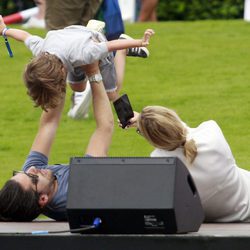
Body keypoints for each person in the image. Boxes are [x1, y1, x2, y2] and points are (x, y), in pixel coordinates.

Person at [0, 62, 114, 221]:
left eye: (21, 173)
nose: (32, 169)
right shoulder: (77, 193)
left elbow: (49, 123)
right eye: (32, 177)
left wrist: (62, 68)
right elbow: (104, 127)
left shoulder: (33, 179)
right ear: (43, 199)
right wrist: (93, 71)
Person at [0, 15, 154, 111]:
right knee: (77, 87)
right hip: (69, 41)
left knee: (112, 94)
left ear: (62, 71)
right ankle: (90, 31)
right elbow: (25, 36)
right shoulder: (42, 50)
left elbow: (110, 46)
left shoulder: (86, 53)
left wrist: (140, 42)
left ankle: (122, 50)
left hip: (92, 41)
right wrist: (4, 30)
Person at [125, 106, 250, 222]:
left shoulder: (160, 166)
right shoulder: (212, 134)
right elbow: (181, 133)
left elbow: (169, 143)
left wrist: (145, 126)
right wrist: (147, 121)